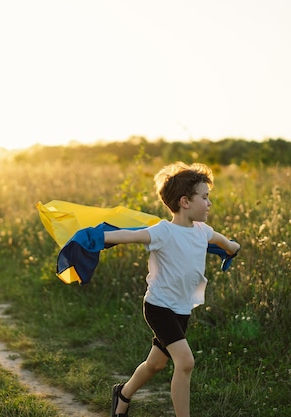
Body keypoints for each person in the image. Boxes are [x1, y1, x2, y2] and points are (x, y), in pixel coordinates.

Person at [105, 161, 240, 417]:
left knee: (156, 363)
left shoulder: (202, 231)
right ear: (185, 202)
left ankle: (122, 394)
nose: (209, 203)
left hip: (181, 308)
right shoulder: (163, 232)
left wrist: (233, 248)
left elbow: (224, 242)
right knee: (185, 362)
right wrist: (96, 238)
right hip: (158, 307)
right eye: (205, 197)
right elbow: (129, 235)